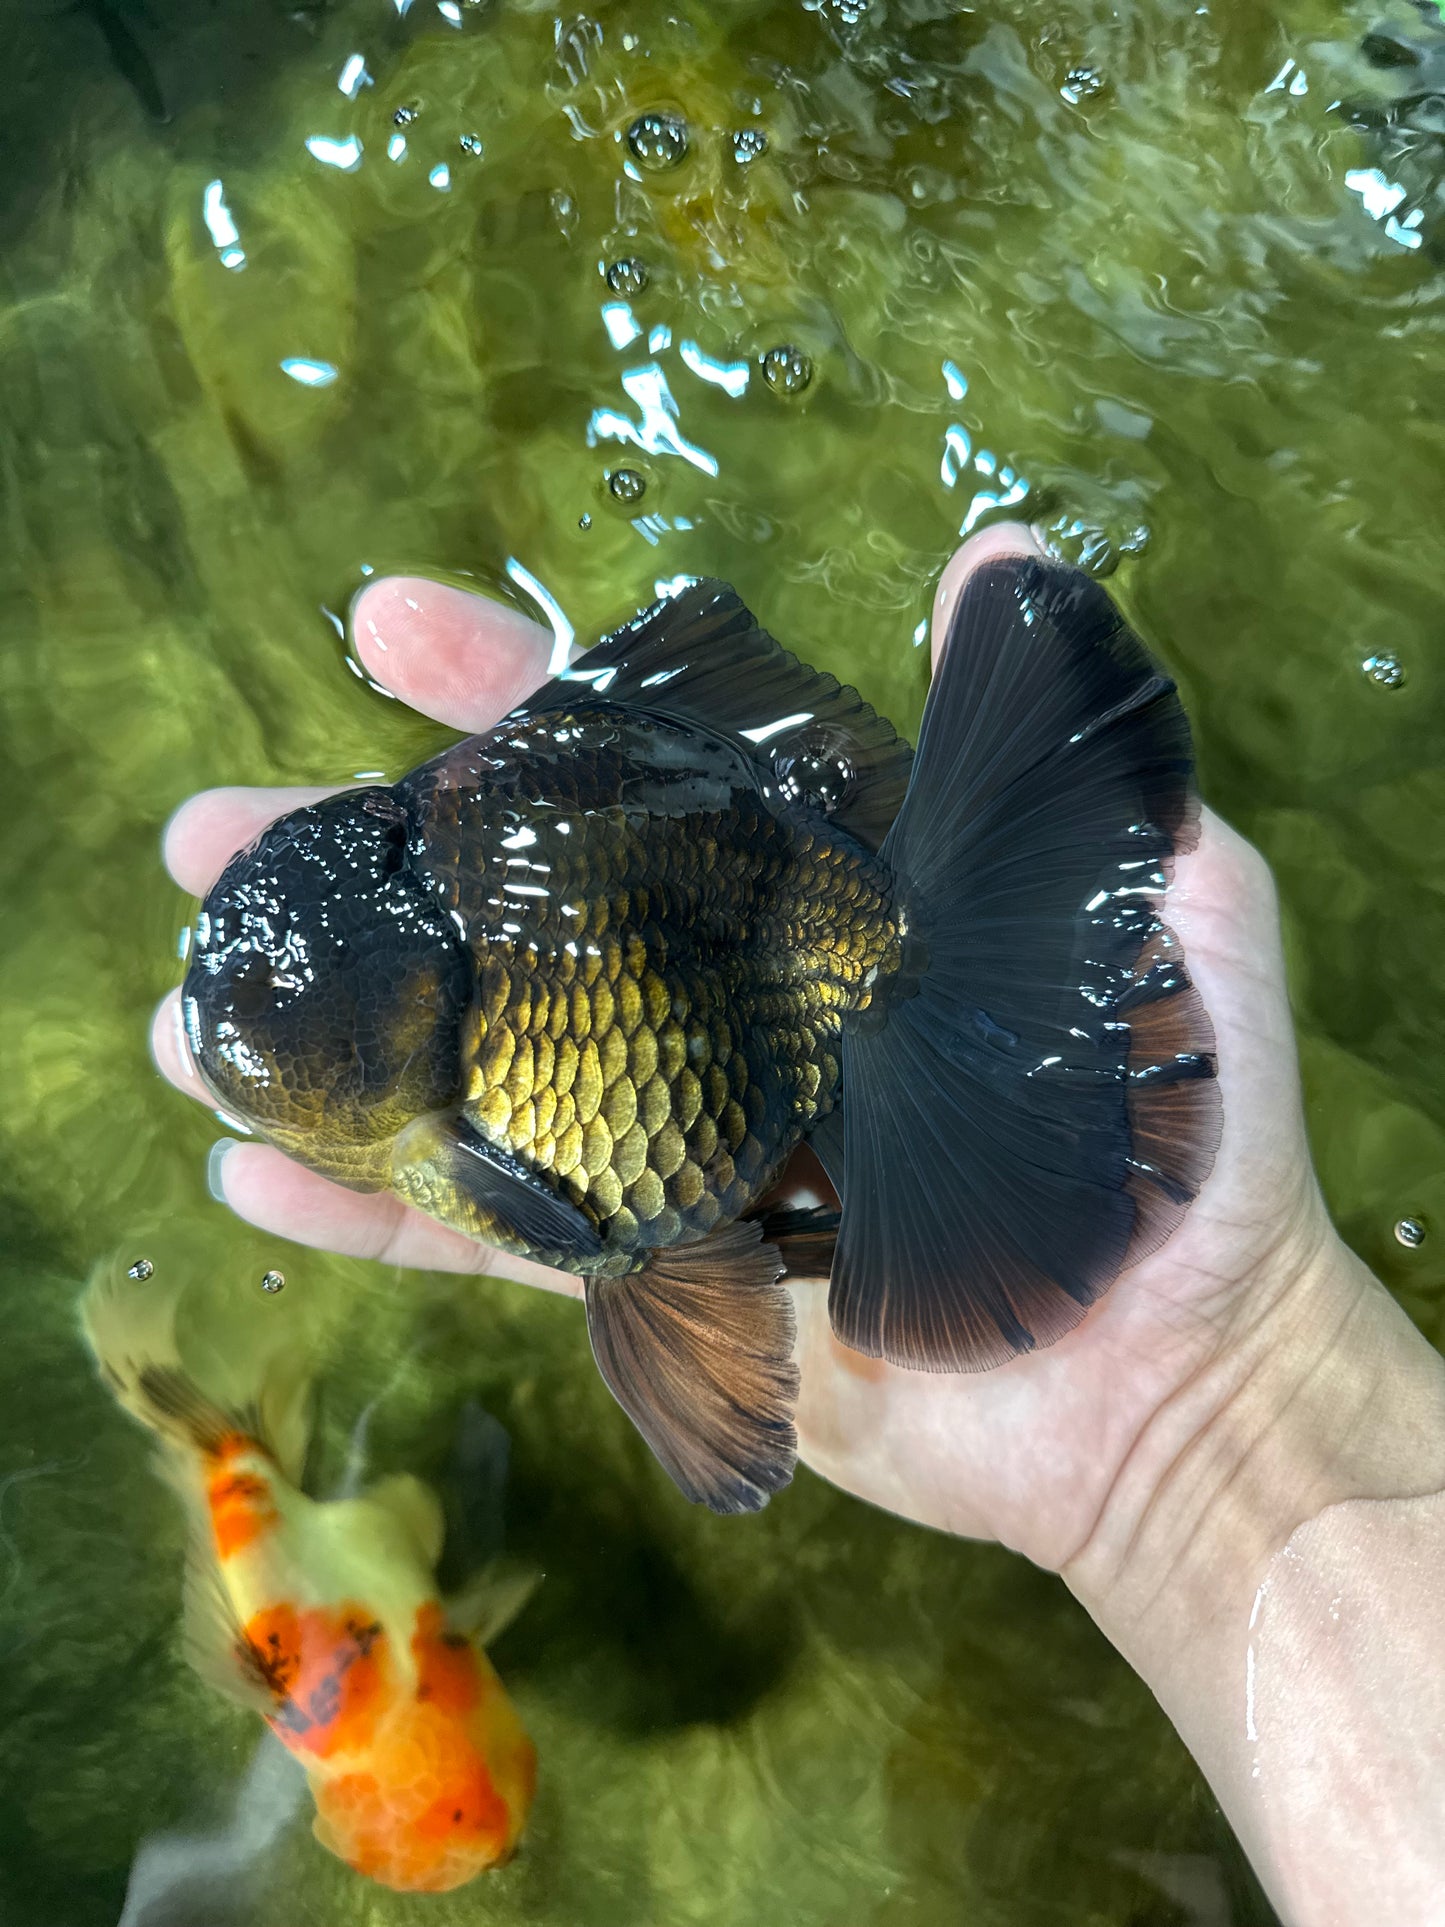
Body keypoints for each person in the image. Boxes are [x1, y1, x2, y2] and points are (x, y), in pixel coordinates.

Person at [151, 524, 1445, 1925]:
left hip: (756, 949)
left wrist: (1220, 1389)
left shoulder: (470, 1125)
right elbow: (629, 1257)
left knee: (631, 1234)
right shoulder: (440, 998)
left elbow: (610, 1246)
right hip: (722, 892)